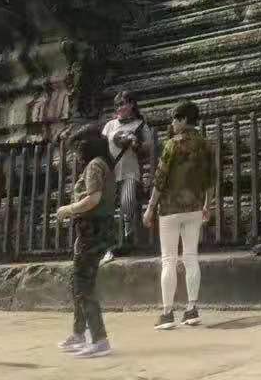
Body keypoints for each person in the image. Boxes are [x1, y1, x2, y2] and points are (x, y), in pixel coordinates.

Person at [143, 100, 215, 330]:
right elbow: (211, 179)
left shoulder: (172, 145)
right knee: (191, 257)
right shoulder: (206, 144)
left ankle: (167, 313)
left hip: (170, 209)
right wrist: (208, 204)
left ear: (183, 120)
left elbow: (159, 179)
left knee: (169, 260)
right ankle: (191, 309)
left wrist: (150, 207)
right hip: (195, 207)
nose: (172, 123)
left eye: (175, 119)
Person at [56, 126, 117, 360]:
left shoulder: (94, 166)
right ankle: (79, 333)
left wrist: (68, 209)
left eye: (76, 149)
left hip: (92, 231)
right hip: (96, 230)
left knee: (83, 285)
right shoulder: (104, 164)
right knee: (80, 283)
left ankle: (100, 339)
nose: (75, 154)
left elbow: (93, 199)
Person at [100, 90, 157, 263]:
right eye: (117, 105)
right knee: (107, 208)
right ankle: (107, 243)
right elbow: (101, 145)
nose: (120, 108)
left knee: (128, 204)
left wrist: (135, 143)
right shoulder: (110, 125)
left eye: (123, 104)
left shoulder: (140, 125)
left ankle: (128, 239)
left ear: (131, 104)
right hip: (111, 172)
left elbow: (150, 147)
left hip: (130, 171)